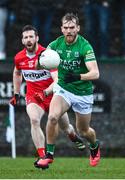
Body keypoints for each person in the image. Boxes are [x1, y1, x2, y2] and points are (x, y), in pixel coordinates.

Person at [9, 25, 86, 167]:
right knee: (34, 120)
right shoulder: (19, 58)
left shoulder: (48, 55)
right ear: (22, 41)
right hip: (33, 96)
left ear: (37, 38)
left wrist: (45, 92)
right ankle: (43, 156)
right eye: (26, 37)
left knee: (66, 127)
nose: (29, 39)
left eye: (31, 36)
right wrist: (16, 92)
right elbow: (17, 73)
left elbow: (57, 80)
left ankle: (73, 136)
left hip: (52, 96)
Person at [36, 13, 100, 169]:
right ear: (61, 29)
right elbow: (39, 65)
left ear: (78, 28)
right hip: (63, 88)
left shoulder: (85, 46)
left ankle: (94, 146)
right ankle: (49, 155)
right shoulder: (55, 44)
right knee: (52, 117)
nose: (69, 31)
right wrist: (43, 61)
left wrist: (78, 76)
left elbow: (95, 73)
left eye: (72, 27)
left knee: (84, 131)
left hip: (83, 92)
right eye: (66, 28)